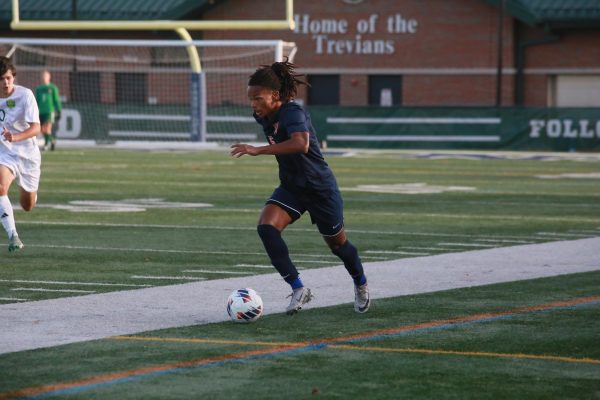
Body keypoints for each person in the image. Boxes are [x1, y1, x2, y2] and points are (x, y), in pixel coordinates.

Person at [230, 59, 370, 315]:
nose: (253, 104)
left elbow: (300, 144)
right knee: (266, 228)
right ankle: (298, 288)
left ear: (275, 95)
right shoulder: (262, 115)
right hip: (292, 186)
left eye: (258, 98)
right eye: (251, 99)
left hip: (319, 188)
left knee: (338, 246)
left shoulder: (292, 112)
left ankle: (360, 282)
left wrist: (257, 150)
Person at [0, 56, 41, 252]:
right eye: (1, 79)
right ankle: (13, 236)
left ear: (13, 77)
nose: (5, 82)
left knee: (27, 205)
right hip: (5, 153)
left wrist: (15, 137)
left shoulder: (25, 95)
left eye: (8, 78)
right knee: (0, 187)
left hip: (28, 154)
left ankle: (31, 194)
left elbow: (36, 128)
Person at [35, 69, 61, 151]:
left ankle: (46, 145)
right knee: (40, 130)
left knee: (47, 129)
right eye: (43, 76)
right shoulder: (38, 88)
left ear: (49, 77)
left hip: (49, 111)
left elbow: (56, 99)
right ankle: (52, 141)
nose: (44, 77)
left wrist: (59, 110)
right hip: (40, 112)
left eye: (45, 76)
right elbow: (36, 100)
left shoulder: (52, 88)